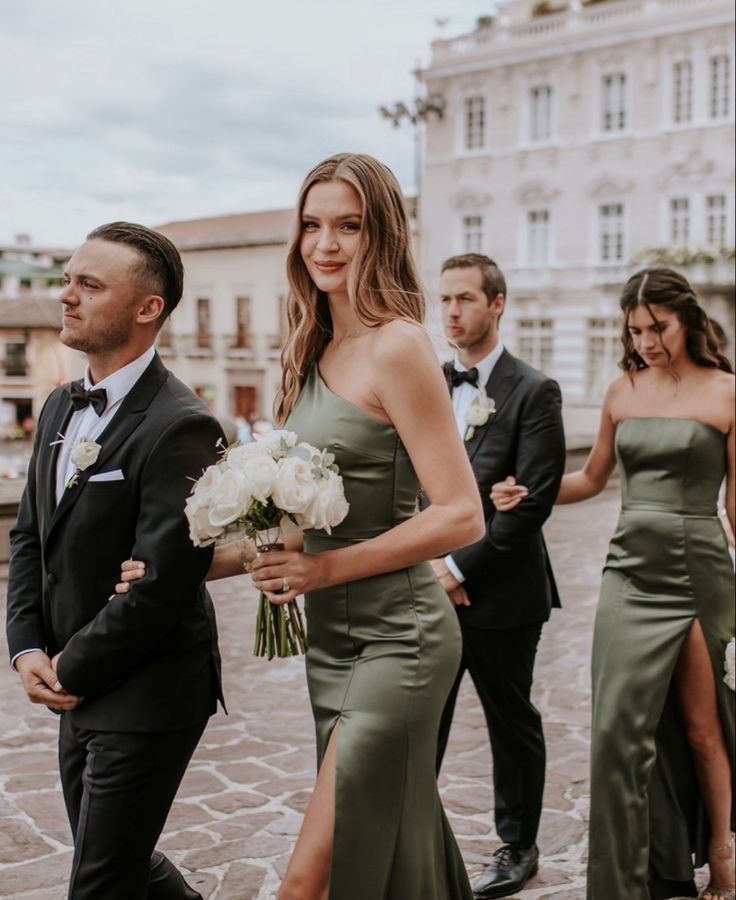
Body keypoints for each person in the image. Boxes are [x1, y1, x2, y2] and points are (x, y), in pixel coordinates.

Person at [120, 154, 485, 900]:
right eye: (312, 225)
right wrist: (189, 564)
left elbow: (460, 514)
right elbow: (294, 526)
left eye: (348, 225)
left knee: (306, 880)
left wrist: (324, 572)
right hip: (334, 643)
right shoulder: (311, 349)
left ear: (379, 233)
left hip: (401, 640)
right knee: (388, 842)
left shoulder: (400, 345)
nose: (325, 243)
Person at [491, 268, 735, 900]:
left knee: (703, 727)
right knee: (616, 730)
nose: (647, 340)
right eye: (636, 329)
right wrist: (530, 496)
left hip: (700, 571)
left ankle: (722, 858)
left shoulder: (727, 393)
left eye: (659, 327)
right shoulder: (621, 390)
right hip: (629, 572)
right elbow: (592, 479)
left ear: (689, 319)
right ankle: (628, 880)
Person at [6, 222, 225, 900]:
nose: (65, 297)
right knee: (120, 864)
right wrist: (25, 647)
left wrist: (68, 668)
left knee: (98, 882)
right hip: (73, 679)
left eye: (88, 285)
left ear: (146, 308)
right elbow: (28, 538)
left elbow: (158, 588)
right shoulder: (55, 409)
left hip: (150, 686)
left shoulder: (182, 425)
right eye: (68, 279)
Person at [423, 253, 565, 899]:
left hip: (502, 594)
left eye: (465, 299)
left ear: (497, 303)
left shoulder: (534, 390)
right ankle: (415, 837)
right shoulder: (428, 380)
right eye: (445, 299)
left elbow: (528, 505)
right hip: (428, 590)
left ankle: (518, 845)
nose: (452, 312)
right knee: (423, 716)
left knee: (509, 718)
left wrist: (452, 568)